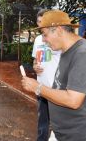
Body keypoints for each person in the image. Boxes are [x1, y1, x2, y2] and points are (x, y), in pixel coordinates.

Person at [22, 10, 86, 141]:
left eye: (45, 35)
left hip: (81, 135)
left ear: (58, 30)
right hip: (63, 133)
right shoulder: (65, 51)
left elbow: (73, 101)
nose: (44, 40)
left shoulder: (83, 54)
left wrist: (38, 88)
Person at [32, 9, 61, 141]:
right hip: (41, 87)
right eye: (38, 22)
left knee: (58, 122)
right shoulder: (38, 39)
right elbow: (36, 59)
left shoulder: (58, 39)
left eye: (42, 21)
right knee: (42, 121)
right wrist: (35, 67)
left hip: (56, 88)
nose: (40, 25)